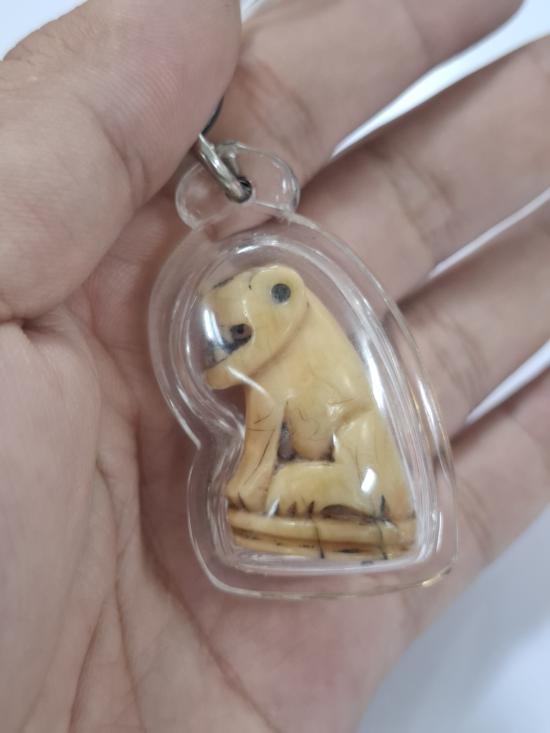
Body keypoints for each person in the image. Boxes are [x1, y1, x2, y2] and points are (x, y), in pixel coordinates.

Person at [0, 0, 548, 730]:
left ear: (283, 302)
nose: (226, 354)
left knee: (321, 466)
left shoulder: (294, 312)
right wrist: (253, 481)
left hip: (359, 457)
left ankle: (356, 509)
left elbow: (275, 421)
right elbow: (260, 427)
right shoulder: (267, 363)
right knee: (255, 488)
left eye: (237, 336)